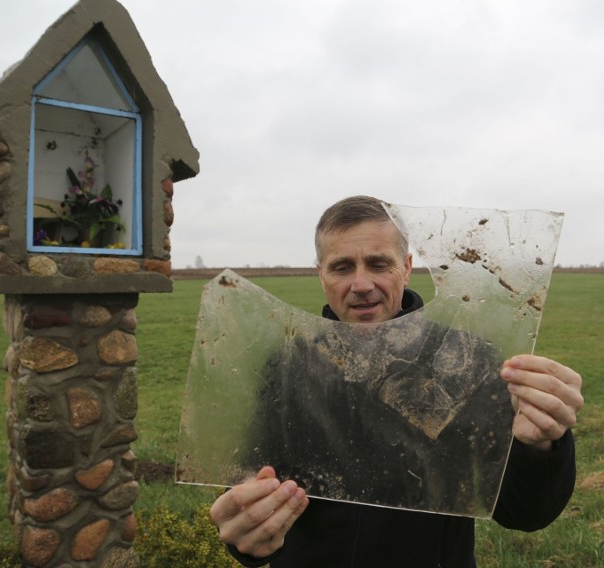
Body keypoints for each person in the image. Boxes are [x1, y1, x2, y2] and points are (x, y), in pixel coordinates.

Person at [210, 196, 584, 567]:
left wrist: (539, 448)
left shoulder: (462, 360)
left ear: (405, 268)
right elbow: (250, 491)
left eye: (378, 264)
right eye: (342, 267)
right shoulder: (289, 365)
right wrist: (246, 533)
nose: (361, 283)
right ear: (321, 274)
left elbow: (525, 513)